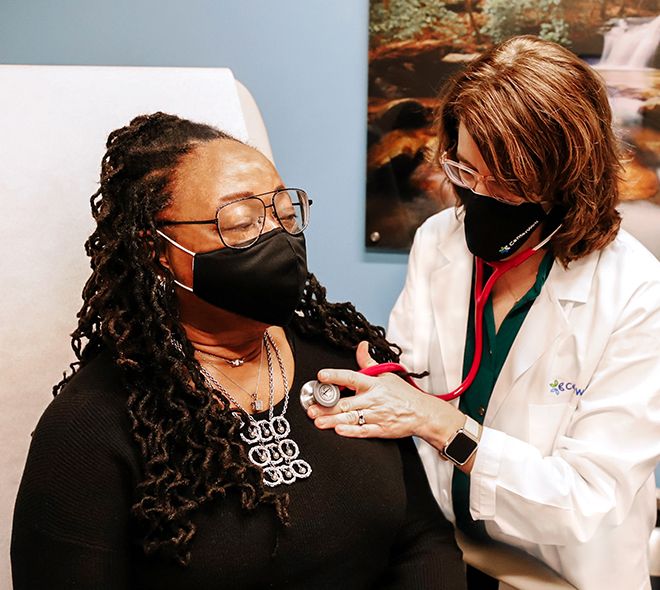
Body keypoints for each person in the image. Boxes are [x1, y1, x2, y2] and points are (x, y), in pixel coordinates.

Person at [10, 112, 467, 590]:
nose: (279, 238)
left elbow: (421, 539)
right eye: (243, 222)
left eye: (285, 214)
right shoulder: (92, 426)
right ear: (156, 250)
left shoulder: (343, 361)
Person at [307, 35, 660, 590]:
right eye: (468, 172)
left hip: (561, 575)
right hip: (445, 551)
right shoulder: (438, 243)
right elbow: (405, 378)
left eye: (512, 183)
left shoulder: (635, 292)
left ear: (568, 177)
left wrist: (443, 425)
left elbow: (590, 498)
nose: (483, 198)